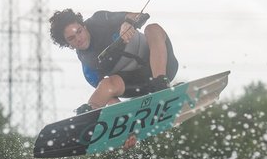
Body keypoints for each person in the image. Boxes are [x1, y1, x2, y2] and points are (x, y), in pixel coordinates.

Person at [49, 9, 179, 114]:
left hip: (165, 67)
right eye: (72, 38)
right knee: (106, 85)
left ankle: (161, 87)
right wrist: (127, 126)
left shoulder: (99, 20)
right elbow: (111, 99)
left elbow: (139, 15)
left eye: (79, 31)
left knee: (153, 28)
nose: (79, 38)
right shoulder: (89, 67)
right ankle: (89, 115)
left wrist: (126, 23)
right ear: (68, 45)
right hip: (138, 82)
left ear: (84, 26)